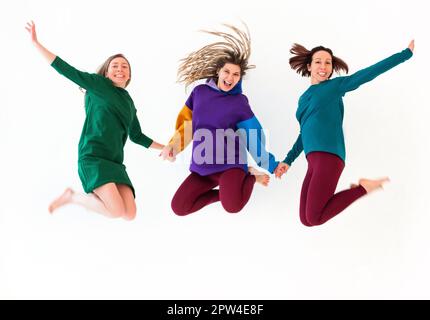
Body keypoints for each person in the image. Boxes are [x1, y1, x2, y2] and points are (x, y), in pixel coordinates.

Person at [26, 21, 164, 220]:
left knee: (130, 214)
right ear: (107, 72)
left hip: (115, 162)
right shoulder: (97, 84)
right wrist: (36, 44)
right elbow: (66, 69)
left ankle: (80, 198)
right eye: (115, 66)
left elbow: (137, 135)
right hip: (93, 156)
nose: (120, 69)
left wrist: (164, 147)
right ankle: (73, 197)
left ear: (129, 75)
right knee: (116, 211)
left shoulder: (128, 102)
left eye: (124, 66)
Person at [275, 40, 414, 226]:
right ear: (309, 66)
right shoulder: (304, 97)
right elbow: (304, 133)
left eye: (328, 62)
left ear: (332, 67)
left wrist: (404, 54)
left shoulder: (335, 87)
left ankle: (364, 188)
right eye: (318, 62)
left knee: (315, 217)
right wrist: (288, 160)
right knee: (306, 220)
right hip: (313, 161)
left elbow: (368, 73)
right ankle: (362, 188)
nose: (323, 66)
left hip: (329, 157)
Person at [161, 24, 280, 216]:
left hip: (230, 165)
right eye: (227, 72)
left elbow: (253, 136)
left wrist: (270, 164)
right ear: (218, 71)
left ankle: (249, 176)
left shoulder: (239, 102)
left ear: (239, 78)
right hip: (202, 166)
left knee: (232, 206)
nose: (230, 77)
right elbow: (188, 125)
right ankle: (227, 192)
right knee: (179, 207)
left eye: (236, 74)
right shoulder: (199, 92)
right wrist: (173, 146)